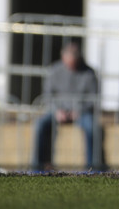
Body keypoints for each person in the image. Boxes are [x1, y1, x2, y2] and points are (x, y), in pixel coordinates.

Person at [32, 41, 106, 172]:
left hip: (81, 112)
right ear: (63, 57)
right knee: (40, 125)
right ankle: (38, 167)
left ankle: (92, 168)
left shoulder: (89, 74)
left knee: (92, 127)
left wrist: (78, 111)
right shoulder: (54, 71)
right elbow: (47, 96)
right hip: (57, 111)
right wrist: (56, 111)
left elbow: (94, 98)